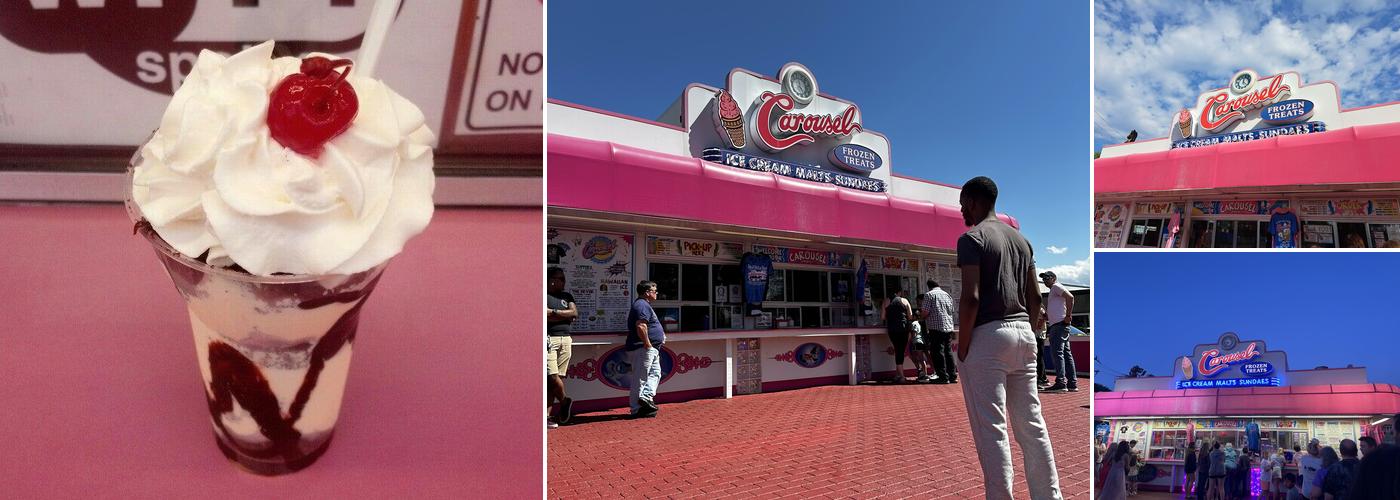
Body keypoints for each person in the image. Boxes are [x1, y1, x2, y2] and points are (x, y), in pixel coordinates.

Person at [954, 176, 1060, 499]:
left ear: (973, 201)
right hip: (1024, 333)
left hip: (988, 334)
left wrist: (963, 346)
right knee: (1032, 426)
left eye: (962, 205)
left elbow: (970, 297)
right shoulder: (1022, 241)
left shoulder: (972, 239)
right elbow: (1036, 299)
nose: (962, 212)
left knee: (992, 430)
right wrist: (1028, 331)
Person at [625, 281, 664, 418]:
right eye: (654, 290)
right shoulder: (641, 304)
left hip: (651, 349)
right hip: (642, 348)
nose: (656, 293)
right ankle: (636, 409)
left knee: (655, 373)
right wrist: (647, 344)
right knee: (640, 378)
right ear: (647, 292)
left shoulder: (645, 305)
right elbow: (641, 326)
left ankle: (646, 398)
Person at [546, 267, 578, 428]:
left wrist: (553, 312)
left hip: (566, 339)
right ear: (551, 279)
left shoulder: (567, 296)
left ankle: (547, 416)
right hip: (548, 339)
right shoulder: (543, 295)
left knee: (556, 379)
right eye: (561, 279)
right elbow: (542, 316)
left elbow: (574, 313)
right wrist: (563, 316)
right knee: (552, 376)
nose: (564, 282)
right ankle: (565, 401)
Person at [1039, 271, 1077, 392]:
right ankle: (1072, 383)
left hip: (1059, 325)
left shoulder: (1056, 287)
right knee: (1066, 354)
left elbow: (1070, 297)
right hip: (1060, 324)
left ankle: (1061, 382)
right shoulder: (1054, 290)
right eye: (1043, 278)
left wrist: (1068, 315)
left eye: (1047, 277)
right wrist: (1046, 316)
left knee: (1057, 353)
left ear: (1054, 278)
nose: (1045, 280)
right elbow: (1059, 307)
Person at [918, 279, 958, 384]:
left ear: (929, 287)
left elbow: (925, 312)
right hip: (948, 327)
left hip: (936, 328)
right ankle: (952, 375)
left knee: (937, 353)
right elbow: (951, 311)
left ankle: (942, 377)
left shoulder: (929, 295)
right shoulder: (947, 295)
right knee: (948, 352)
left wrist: (920, 316)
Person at [884, 287, 914, 384]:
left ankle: (898, 374)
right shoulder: (904, 300)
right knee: (900, 350)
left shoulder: (886, 301)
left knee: (898, 350)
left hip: (892, 329)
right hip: (903, 328)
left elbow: (882, 317)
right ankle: (902, 376)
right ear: (899, 292)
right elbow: (910, 315)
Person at [1034, 304, 1050, 387]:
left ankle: (1040, 379)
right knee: (1039, 357)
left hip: (1038, 335)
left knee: (1038, 357)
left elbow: (1045, 317)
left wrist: (1040, 322)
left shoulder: (1038, 307)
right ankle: (1043, 378)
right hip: (1039, 335)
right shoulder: (1040, 307)